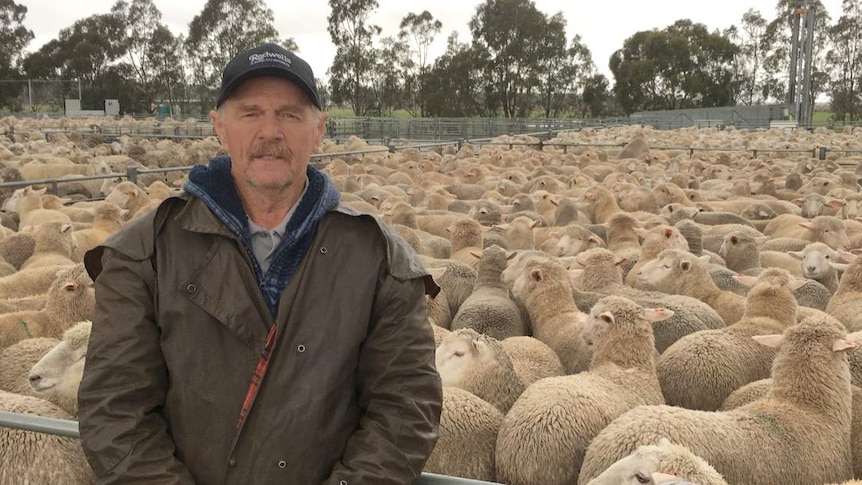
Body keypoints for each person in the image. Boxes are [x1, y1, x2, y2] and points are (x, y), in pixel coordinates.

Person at [77, 43, 443, 484]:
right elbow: (115, 409)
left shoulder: (379, 259)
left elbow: (405, 409)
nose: (270, 131)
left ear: (319, 128)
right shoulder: (146, 252)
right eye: (250, 113)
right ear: (219, 127)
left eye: (290, 114)